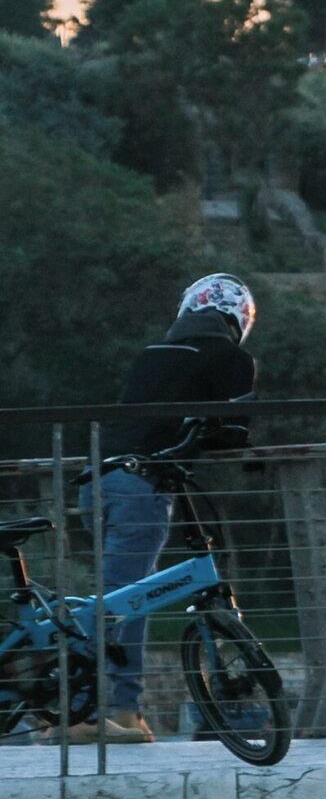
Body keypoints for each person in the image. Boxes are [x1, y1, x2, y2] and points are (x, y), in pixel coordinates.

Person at [80, 274, 260, 743]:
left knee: (114, 595)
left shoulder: (151, 354)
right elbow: (236, 432)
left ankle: (101, 705)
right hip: (142, 485)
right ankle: (111, 712)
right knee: (128, 601)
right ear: (238, 318)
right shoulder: (231, 358)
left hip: (96, 479)